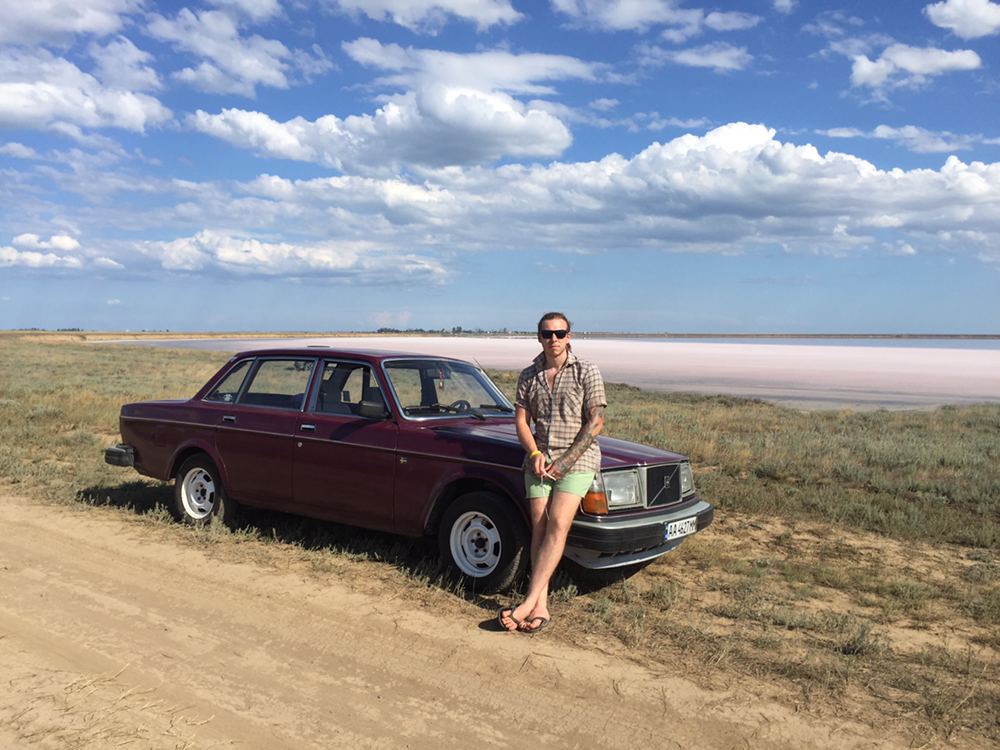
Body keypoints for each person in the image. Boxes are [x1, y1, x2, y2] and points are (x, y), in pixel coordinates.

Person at [499, 312, 606, 634]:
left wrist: (566, 461)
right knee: (540, 527)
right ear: (539, 337)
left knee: (558, 522)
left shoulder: (586, 370)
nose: (554, 339)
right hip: (539, 460)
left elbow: (596, 421)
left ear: (569, 336)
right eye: (547, 334)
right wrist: (534, 453)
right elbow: (521, 421)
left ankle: (528, 602)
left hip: (578, 460)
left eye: (560, 333)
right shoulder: (529, 375)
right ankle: (541, 606)